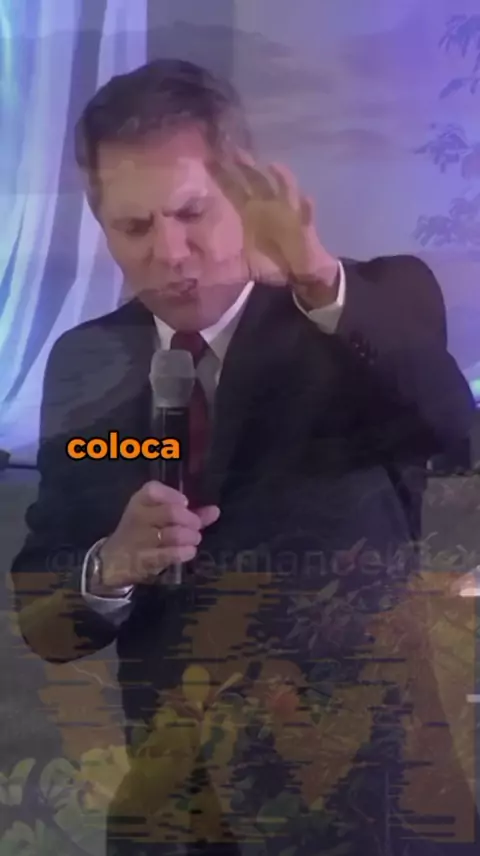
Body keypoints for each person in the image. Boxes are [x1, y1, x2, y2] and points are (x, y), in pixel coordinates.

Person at [10, 59, 477, 855]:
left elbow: (456, 434)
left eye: (192, 212)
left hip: (368, 806)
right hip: (178, 815)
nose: (170, 251)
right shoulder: (86, 363)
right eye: (134, 227)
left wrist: (315, 277)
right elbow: (46, 619)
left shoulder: (365, 308)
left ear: (244, 190)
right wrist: (109, 566)